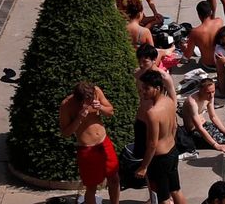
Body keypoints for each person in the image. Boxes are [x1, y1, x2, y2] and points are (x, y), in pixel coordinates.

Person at [60, 81, 121, 204]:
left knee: (114, 179)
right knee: (91, 186)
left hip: (104, 143)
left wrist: (101, 107)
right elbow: (65, 133)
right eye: (87, 100)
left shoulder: (96, 92)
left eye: (91, 98)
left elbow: (111, 112)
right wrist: (79, 118)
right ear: (79, 99)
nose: (90, 102)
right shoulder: (67, 105)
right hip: (86, 149)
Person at [132, 70, 184, 204]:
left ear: (158, 88)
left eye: (146, 88)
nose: (143, 91)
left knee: (164, 198)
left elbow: (152, 144)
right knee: (176, 190)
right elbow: (174, 127)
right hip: (172, 152)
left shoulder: (152, 113)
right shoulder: (170, 102)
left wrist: (144, 166)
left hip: (160, 159)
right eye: (142, 88)